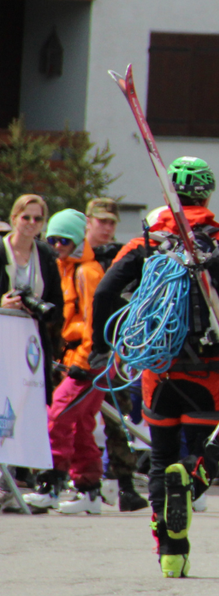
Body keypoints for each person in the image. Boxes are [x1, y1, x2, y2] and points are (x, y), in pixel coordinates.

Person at [90, 157, 219, 578]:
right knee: (204, 453)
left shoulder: (149, 242)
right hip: (207, 371)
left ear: (167, 194)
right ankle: (190, 481)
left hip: (158, 368)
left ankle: (170, 553)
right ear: (207, 195)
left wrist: (102, 350)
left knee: (160, 458)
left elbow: (105, 291)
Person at [23, 210, 114, 514]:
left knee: (57, 416)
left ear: (77, 240)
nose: (57, 244)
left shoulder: (87, 272)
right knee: (80, 425)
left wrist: (86, 361)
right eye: (52, 239)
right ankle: (89, 490)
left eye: (65, 239)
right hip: (78, 359)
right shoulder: (62, 268)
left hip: (89, 362)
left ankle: (51, 483)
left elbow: (93, 321)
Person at [82, 198, 147, 512]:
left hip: (114, 349)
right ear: (89, 221)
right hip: (79, 349)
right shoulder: (75, 254)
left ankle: (124, 484)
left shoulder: (123, 257)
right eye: (101, 221)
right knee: (72, 418)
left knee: (118, 418)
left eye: (111, 222)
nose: (107, 228)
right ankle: (71, 480)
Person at [3, 194, 64, 385]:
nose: (32, 223)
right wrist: (2, 305)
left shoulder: (46, 254)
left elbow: (57, 303)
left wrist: (39, 308)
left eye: (38, 219)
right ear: (14, 218)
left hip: (33, 337)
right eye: (26, 217)